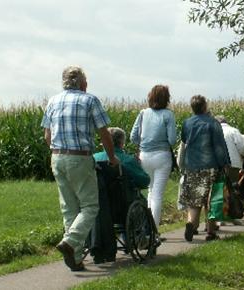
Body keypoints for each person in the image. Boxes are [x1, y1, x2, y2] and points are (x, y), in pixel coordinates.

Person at [41, 65, 119, 271]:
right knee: (90, 206)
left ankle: (75, 259)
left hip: (57, 157)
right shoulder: (90, 100)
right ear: (83, 83)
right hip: (80, 157)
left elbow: (47, 136)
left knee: (69, 208)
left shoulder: (53, 101)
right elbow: (104, 134)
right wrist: (112, 157)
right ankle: (70, 242)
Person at [92, 127, 150, 264]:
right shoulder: (128, 160)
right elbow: (144, 181)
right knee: (141, 200)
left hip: (99, 207)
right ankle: (142, 238)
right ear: (122, 143)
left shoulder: (94, 158)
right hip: (122, 206)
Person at [179, 95, 231, 242]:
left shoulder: (187, 123)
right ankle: (211, 232)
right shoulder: (213, 123)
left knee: (194, 200)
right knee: (212, 200)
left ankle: (191, 224)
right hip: (211, 166)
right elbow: (219, 146)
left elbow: (184, 140)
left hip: (192, 166)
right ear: (204, 106)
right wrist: (225, 163)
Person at [130, 85, 177, 228]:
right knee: (157, 195)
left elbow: (133, 137)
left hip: (144, 156)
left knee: (150, 191)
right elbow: (172, 140)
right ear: (166, 98)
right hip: (162, 156)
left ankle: (147, 226)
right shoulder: (168, 115)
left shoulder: (143, 113)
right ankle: (154, 229)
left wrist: (143, 143)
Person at [215, 115, 244, 226]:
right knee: (232, 190)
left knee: (219, 190)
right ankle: (233, 215)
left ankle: (220, 218)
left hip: (218, 164)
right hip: (233, 164)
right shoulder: (233, 131)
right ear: (226, 121)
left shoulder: (214, 130)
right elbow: (242, 147)